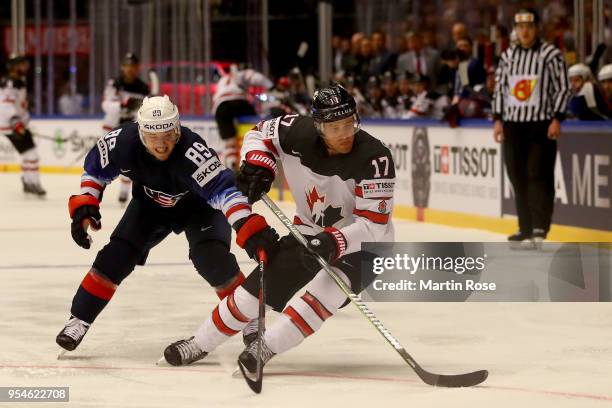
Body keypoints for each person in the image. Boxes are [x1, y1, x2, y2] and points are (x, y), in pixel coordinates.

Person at [161, 85, 396, 376]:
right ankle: (199, 343)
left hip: (365, 247)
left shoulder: (376, 158)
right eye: (335, 127)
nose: (345, 133)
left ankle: (265, 347)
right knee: (252, 295)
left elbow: (374, 225)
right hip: (309, 233)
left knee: (323, 295)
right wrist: (260, 165)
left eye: (349, 123)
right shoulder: (296, 131)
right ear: (319, 126)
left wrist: (335, 241)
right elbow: (258, 134)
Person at [55, 95, 279, 353]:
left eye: (168, 135)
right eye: (153, 136)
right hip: (150, 206)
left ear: (178, 128)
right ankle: (79, 319)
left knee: (212, 259)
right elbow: (95, 171)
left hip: (200, 208)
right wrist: (86, 204)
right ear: (140, 132)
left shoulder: (193, 150)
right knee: (116, 256)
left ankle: (251, 318)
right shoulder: (122, 142)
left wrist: (246, 224)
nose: (161, 145)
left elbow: (224, 192)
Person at [492, 9, 571, 249]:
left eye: (529, 26)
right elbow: (500, 89)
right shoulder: (508, 56)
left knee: (538, 174)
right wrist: (497, 119)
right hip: (513, 125)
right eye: (519, 26)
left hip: (541, 124)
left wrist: (557, 117)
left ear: (537, 28)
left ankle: (539, 226)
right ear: (515, 29)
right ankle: (525, 227)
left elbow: (563, 87)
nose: (524, 31)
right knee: (516, 175)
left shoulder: (550, 54)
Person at [102, 52, 152, 204]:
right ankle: (94, 190)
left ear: (137, 68)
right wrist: (122, 106)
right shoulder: (114, 84)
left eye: (133, 66)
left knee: (129, 160)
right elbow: (105, 105)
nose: (129, 69)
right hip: (111, 127)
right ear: (122, 67)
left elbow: (144, 111)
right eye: (126, 66)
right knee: (104, 161)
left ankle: (123, 192)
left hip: (129, 128)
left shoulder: (143, 88)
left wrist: (136, 113)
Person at [0, 54, 46, 196]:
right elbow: (5, 105)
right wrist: (16, 122)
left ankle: (28, 182)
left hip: (15, 124)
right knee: (32, 155)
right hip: (12, 125)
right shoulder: (11, 82)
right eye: (21, 64)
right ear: (13, 66)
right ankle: (33, 183)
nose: (25, 67)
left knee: (28, 154)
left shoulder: (18, 81)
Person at [212, 65, 273, 172]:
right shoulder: (239, 75)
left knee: (229, 140)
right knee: (257, 128)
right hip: (239, 101)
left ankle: (232, 166)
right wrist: (272, 87)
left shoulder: (222, 81)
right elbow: (257, 78)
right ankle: (258, 154)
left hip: (220, 106)